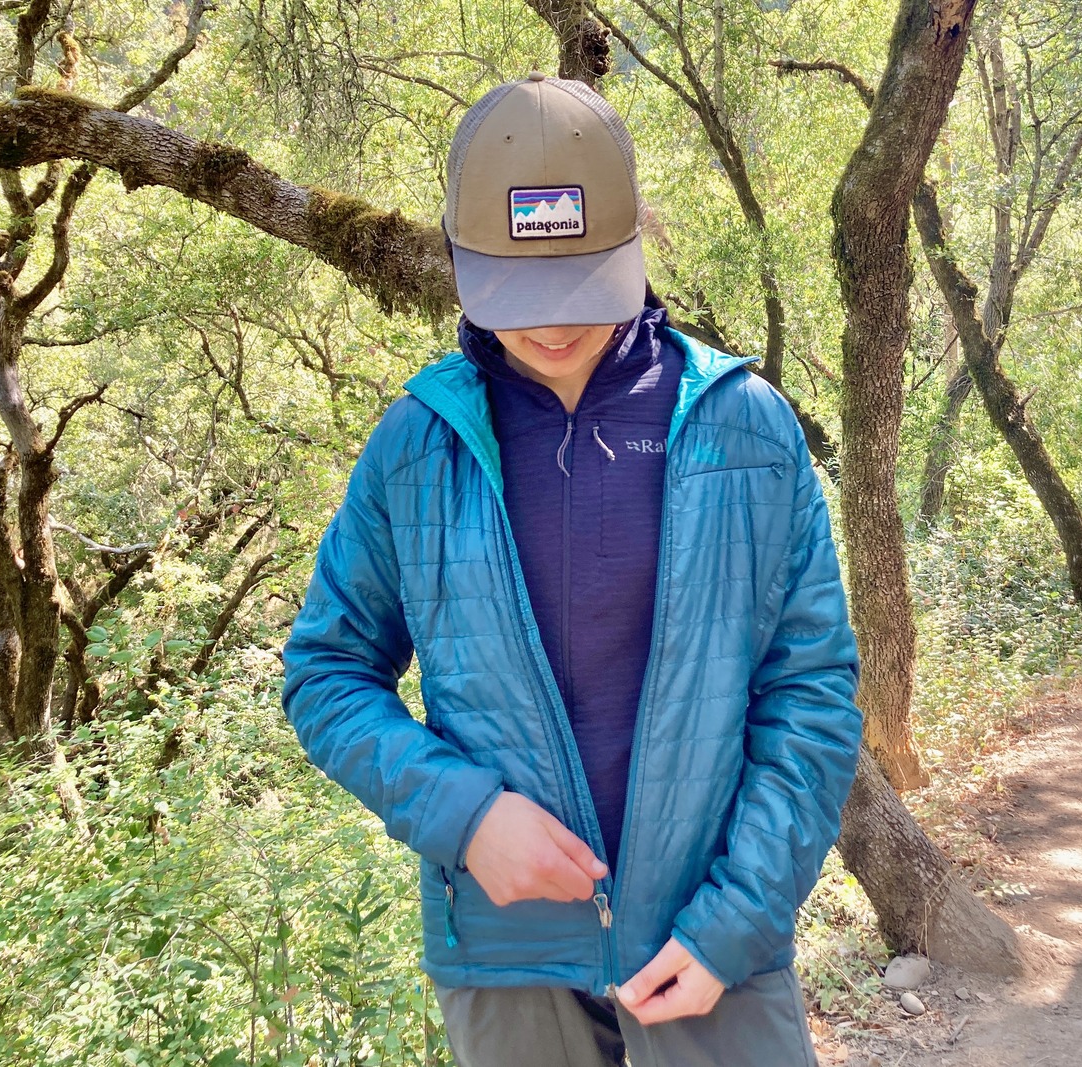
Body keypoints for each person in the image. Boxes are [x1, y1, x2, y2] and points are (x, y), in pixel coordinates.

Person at [282, 71, 861, 1067]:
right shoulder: (416, 446)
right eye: (521, 294)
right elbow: (327, 675)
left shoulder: (745, 429)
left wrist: (736, 919)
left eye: (581, 286)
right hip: (505, 952)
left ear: (632, 246)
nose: (553, 326)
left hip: (712, 940)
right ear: (463, 262)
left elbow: (809, 692)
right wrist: (465, 816)